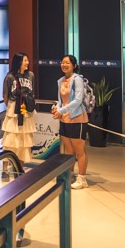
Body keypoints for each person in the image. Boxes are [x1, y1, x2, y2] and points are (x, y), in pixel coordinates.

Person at [52, 54, 89, 189]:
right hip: (65, 119)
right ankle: (70, 174)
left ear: (74, 65)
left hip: (77, 118)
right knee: (68, 150)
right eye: (62, 62)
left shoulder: (77, 79)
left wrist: (61, 111)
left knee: (80, 150)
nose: (64, 65)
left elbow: (78, 100)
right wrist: (56, 108)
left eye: (67, 62)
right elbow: (60, 100)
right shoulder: (60, 80)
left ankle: (82, 178)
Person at [0, 53, 36, 181]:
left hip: (26, 110)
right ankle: (4, 169)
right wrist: (11, 107)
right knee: (10, 139)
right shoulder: (10, 77)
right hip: (13, 110)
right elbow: (5, 95)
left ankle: (19, 169)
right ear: (18, 62)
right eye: (25, 60)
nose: (27, 62)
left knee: (24, 140)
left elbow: (32, 92)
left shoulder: (30, 75)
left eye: (27, 60)